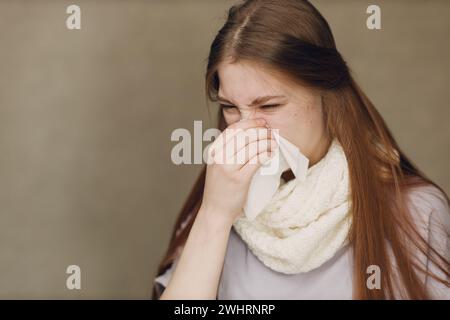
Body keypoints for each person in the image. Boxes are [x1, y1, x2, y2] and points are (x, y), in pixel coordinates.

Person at [152, 0, 450, 299]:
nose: (247, 128)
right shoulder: (218, 205)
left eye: (269, 105)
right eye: (230, 107)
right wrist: (214, 216)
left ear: (327, 97)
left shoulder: (415, 214)